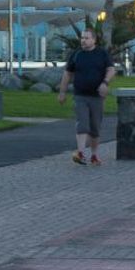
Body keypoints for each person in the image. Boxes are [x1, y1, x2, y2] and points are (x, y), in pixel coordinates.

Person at [57, 26, 116, 166]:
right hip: (80, 95)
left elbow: (111, 69)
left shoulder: (102, 53)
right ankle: (81, 153)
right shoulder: (76, 54)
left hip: (97, 96)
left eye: (86, 38)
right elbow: (67, 74)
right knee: (82, 124)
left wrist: (105, 83)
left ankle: (94, 155)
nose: (83, 41)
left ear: (94, 40)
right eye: (82, 38)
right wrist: (62, 92)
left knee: (95, 127)